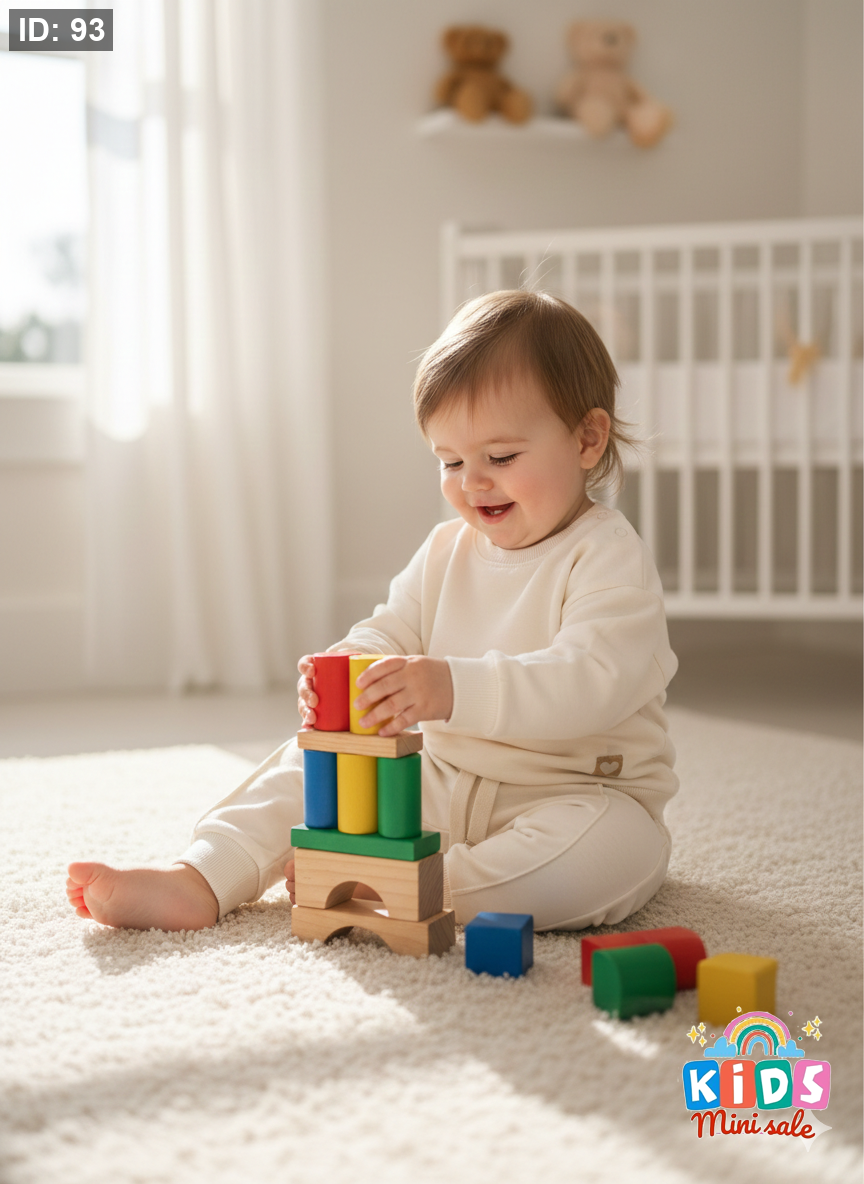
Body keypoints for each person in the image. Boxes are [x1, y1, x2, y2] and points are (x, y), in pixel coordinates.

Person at [67, 289, 678, 934]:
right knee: (314, 764)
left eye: (501, 458)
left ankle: (414, 884)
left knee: (610, 854)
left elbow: (589, 681)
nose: (472, 482)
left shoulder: (607, 556)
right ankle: (203, 876)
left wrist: (451, 687)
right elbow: (392, 628)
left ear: (587, 439)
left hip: (577, 793)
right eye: (451, 461)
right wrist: (353, 667)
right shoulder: (445, 550)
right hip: (441, 779)